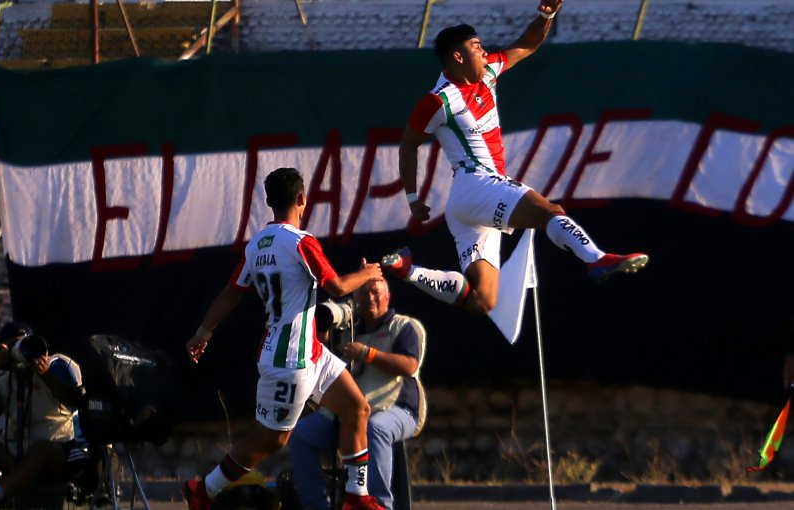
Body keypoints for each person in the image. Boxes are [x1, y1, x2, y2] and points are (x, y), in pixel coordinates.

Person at [385, 0, 649, 319]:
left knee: (483, 299)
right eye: (476, 47)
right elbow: (408, 145)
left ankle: (408, 271)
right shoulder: (439, 100)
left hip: (467, 204)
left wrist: (546, 14)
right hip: (476, 185)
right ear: (457, 57)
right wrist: (412, 197)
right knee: (548, 211)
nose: (484, 52)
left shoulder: (488, 72)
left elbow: (527, 44)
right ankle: (595, 258)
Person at [183, 167, 387, 510]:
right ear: (303, 199)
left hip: (311, 351)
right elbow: (335, 287)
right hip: (288, 360)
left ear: (268, 202)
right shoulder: (301, 242)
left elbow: (230, 293)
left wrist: (203, 331)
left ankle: (357, 495)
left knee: (357, 407)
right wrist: (366, 274)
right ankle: (204, 489)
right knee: (273, 439)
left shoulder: (256, 246)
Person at [289, 276, 426, 510]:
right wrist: (320, 326)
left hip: (396, 409)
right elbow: (318, 353)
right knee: (301, 434)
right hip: (348, 414)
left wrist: (367, 354)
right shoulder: (348, 330)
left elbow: (409, 366)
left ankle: (378, 503)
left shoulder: (404, 326)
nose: (369, 298)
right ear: (355, 298)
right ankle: (316, 505)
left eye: (375, 292)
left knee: (376, 427)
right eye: (363, 293)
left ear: (387, 297)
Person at [0, 322, 88, 509]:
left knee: (40, 449)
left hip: (54, 455)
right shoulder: (5, 383)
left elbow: (76, 400)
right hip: (16, 456)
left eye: (27, 343)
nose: (25, 351)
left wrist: (46, 376)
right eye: (18, 346)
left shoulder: (57, 366)